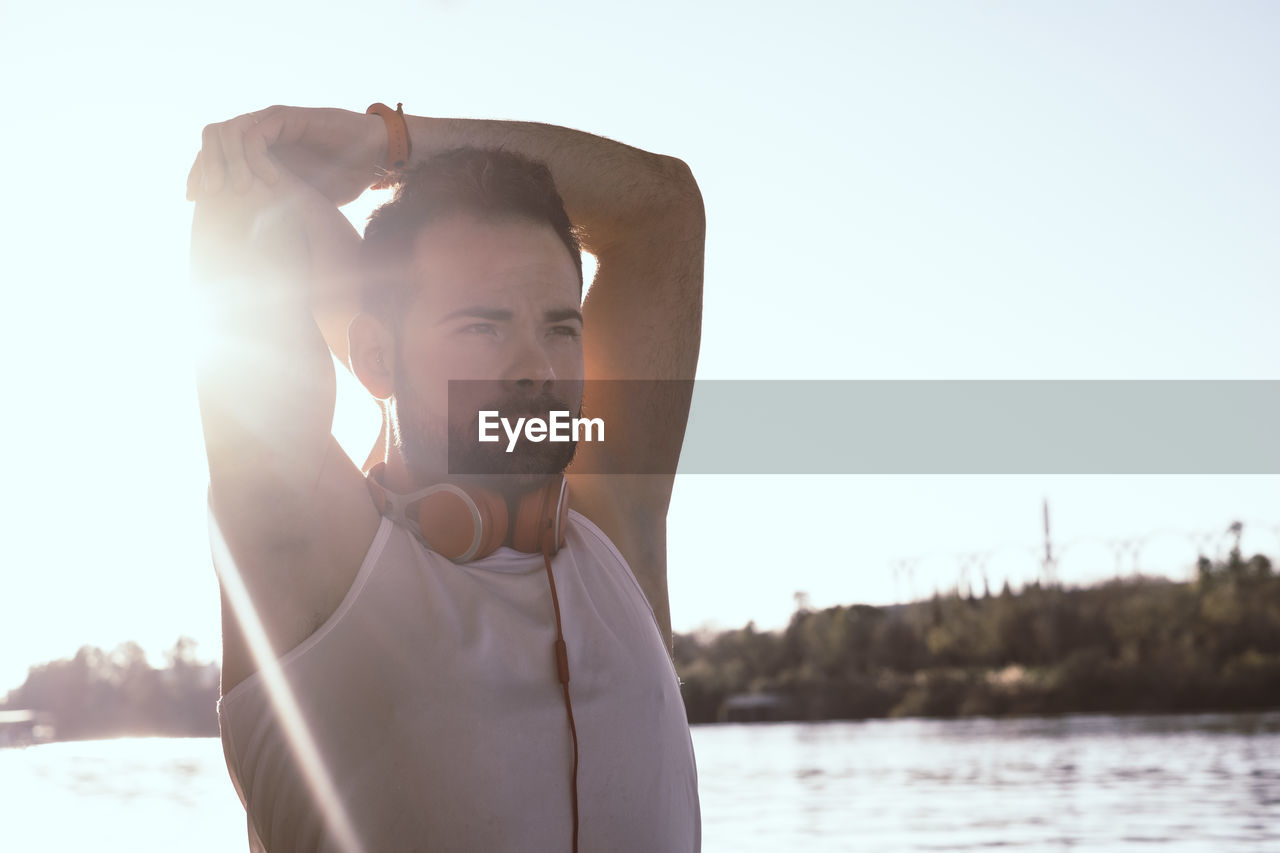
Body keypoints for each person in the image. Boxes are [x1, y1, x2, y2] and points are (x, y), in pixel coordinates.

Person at [188, 104, 705, 852]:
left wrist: (390, 144)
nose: (537, 368)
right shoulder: (309, 560)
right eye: (483, 326)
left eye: (560, 327)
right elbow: (250, 223)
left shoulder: (614, 530)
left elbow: (662, 207)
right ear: (375, 359)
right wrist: (267, 169)